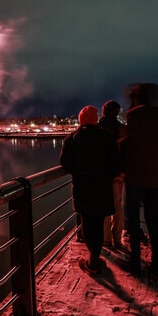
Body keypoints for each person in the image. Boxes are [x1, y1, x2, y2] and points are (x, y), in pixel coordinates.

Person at [119, 83, 158, 281]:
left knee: (132, 223)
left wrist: (122, 165)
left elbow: (130, 146)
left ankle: (134, 261)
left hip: (135, 179)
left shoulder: (135, 115)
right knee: (157, 223)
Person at [60, 106, 120, 275]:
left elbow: (65, 163)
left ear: (80, 120)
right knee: (99, 223)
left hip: (82, 188)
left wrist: (79, 172)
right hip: (102, 188)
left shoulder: (72, 139)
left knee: (87, 224)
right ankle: (95, 258)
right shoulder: (108, 137)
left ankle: (92, 261)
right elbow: (115, 165)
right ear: (95, 119)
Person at [98, 100, 126, 249]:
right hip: (118, 174)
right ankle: (117, 238)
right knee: (117, 205)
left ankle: (106, 239)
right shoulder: (122, 129)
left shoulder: (99, 128)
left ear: (103, 111)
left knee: (104, 206)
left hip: (102, 174)